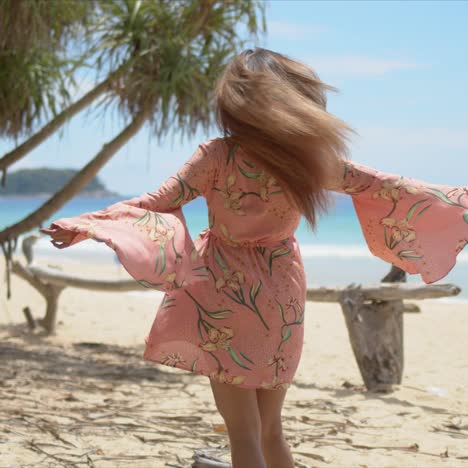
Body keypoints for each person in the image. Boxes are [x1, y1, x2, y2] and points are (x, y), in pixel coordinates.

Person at [41, 48, 467, 468]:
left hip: (221, 291)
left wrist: (89, 224)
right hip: (281, 291)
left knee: (242, 434)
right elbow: (390, 189)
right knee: (271, 432)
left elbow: (154, 203)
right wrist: (457, 207)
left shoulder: (217, 155)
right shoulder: (310, 160)